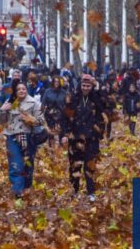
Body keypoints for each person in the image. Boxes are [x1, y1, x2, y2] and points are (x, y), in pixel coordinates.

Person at [62, 74, 106, 202]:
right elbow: (65, 117)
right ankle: (74, 190)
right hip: (75, 138)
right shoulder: (74, 99)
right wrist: (65, 134)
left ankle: (91, 191)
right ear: (80, 86)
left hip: (92, 137)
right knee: (75, 165)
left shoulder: (96, 99)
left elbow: (105, 106)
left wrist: (97, 87)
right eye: (84, 85)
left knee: (90, 165)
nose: (86, 88)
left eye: (88, 85)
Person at [0, 80, 44, 199]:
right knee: (15, 164)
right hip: (12, 136)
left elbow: (41, 121)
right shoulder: (9, 102)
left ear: (27, 90)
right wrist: (2, 110)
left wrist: (30, 119)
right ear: (15, 91)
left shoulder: (34, 102)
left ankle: (27, 188)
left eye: (23, 89)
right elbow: (2, 121)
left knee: (28, 164)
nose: (21, 91)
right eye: (19, 89)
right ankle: (17, 192)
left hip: (29, 137)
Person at [41, 76, 67, 144]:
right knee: (50, 135)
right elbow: (43, 104)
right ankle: (51, 151)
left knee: (62, 135)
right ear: (52, 82)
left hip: (61, 116)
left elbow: (67, 104)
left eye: (58, 81)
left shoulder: (64, 92)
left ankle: (61, 151)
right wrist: (41, 114)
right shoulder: (47, 91)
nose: (57, 83)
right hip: (49, 116)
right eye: (55, 81)